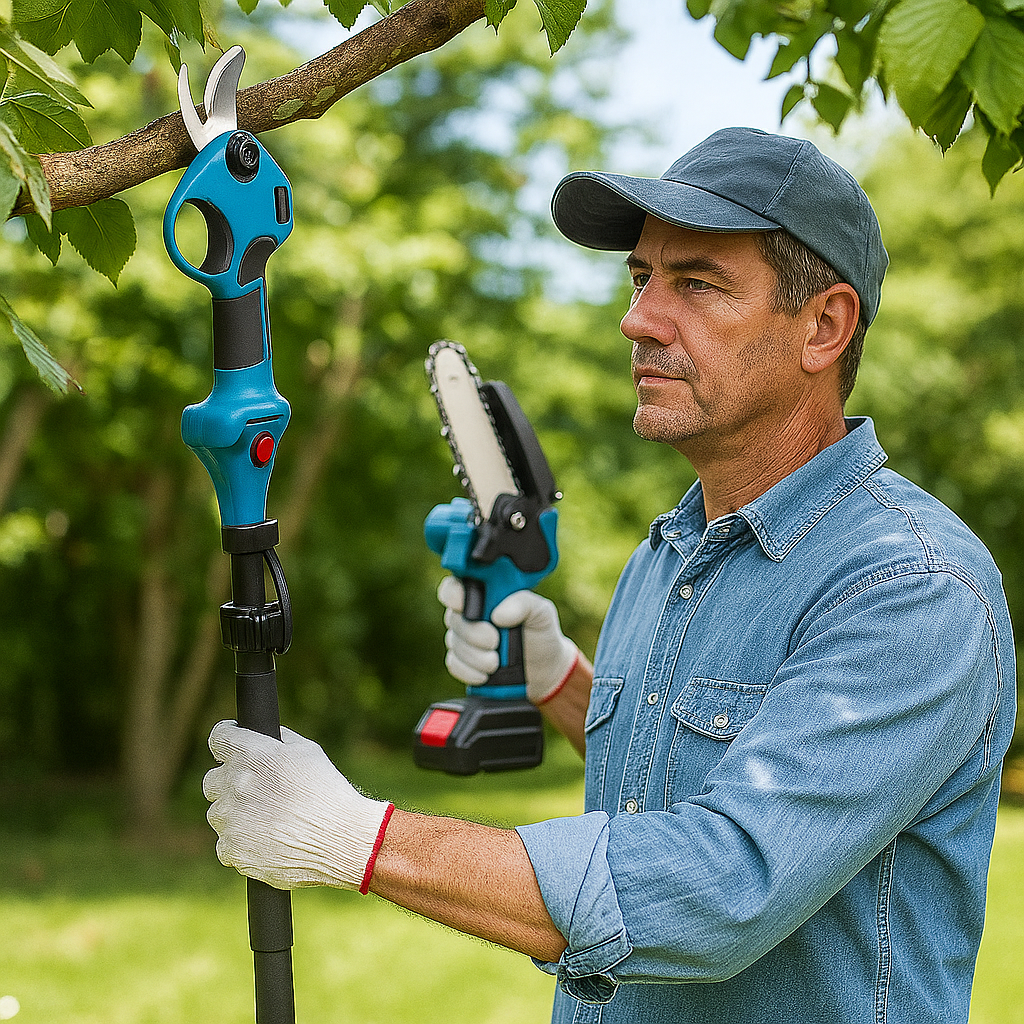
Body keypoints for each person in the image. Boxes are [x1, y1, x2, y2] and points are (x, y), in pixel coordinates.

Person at [202, 127, 1017, 1023]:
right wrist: (560, 682)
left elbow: (717, 888)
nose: (638, 319)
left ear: (824, 326)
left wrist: (360, 839)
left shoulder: (909, 588)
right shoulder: (667, 552)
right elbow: (674, 781)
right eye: (641, 279)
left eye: (696, 284)